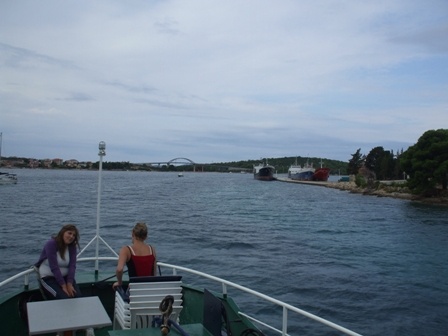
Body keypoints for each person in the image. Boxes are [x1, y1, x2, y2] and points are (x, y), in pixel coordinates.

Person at [35, 224, 81, 299]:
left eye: (74, 235)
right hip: (48, 277)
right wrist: (63, 286)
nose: (71, 236)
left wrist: (69, 284)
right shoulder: (51, 244)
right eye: (69, 233)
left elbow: (72, 266)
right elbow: (54, 267)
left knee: (77, 296)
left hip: (65, 277)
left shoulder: (72, 247)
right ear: (63, 232)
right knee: (63, 298)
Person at [113, 222, 157, 289]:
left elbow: (119, 269)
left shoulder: (126, 250)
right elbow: (154, 274)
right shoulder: (152, 250)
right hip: (150, 290)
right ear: (146, 236)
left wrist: (119, 282)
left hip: (134, 292)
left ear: (132, 233)